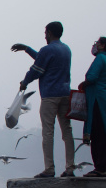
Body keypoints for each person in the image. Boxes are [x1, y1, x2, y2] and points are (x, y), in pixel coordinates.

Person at [11, 21, 75, 177]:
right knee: (67, 132)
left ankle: (49, 169)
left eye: (45, 32)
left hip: (50, 96)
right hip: (65, 94)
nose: (44, 35)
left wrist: (24, 83)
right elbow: (43, 58)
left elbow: (37, 69)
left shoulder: (48, 50)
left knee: (48, 132)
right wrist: (26, 49)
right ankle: (70, 168)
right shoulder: (66, 50)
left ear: (50, 33)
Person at [77, 37, 106, 177]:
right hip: (103, 100)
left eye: (97, 43)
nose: (95, 45)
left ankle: (100, 168)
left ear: (102, 46)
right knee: (101, 135)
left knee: (97, 135)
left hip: (97, 101)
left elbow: (91, 77)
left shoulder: (100, 59)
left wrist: (84, 84)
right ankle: (101, 167)